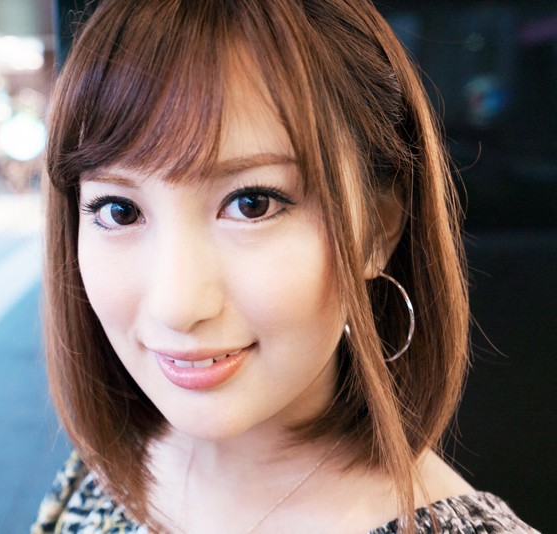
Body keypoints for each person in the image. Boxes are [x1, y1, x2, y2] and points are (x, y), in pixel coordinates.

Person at [32, 0, 537, 532]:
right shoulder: (102, 473)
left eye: (252, 204)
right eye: (119, 210)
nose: (176, 305)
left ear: (377, 228)